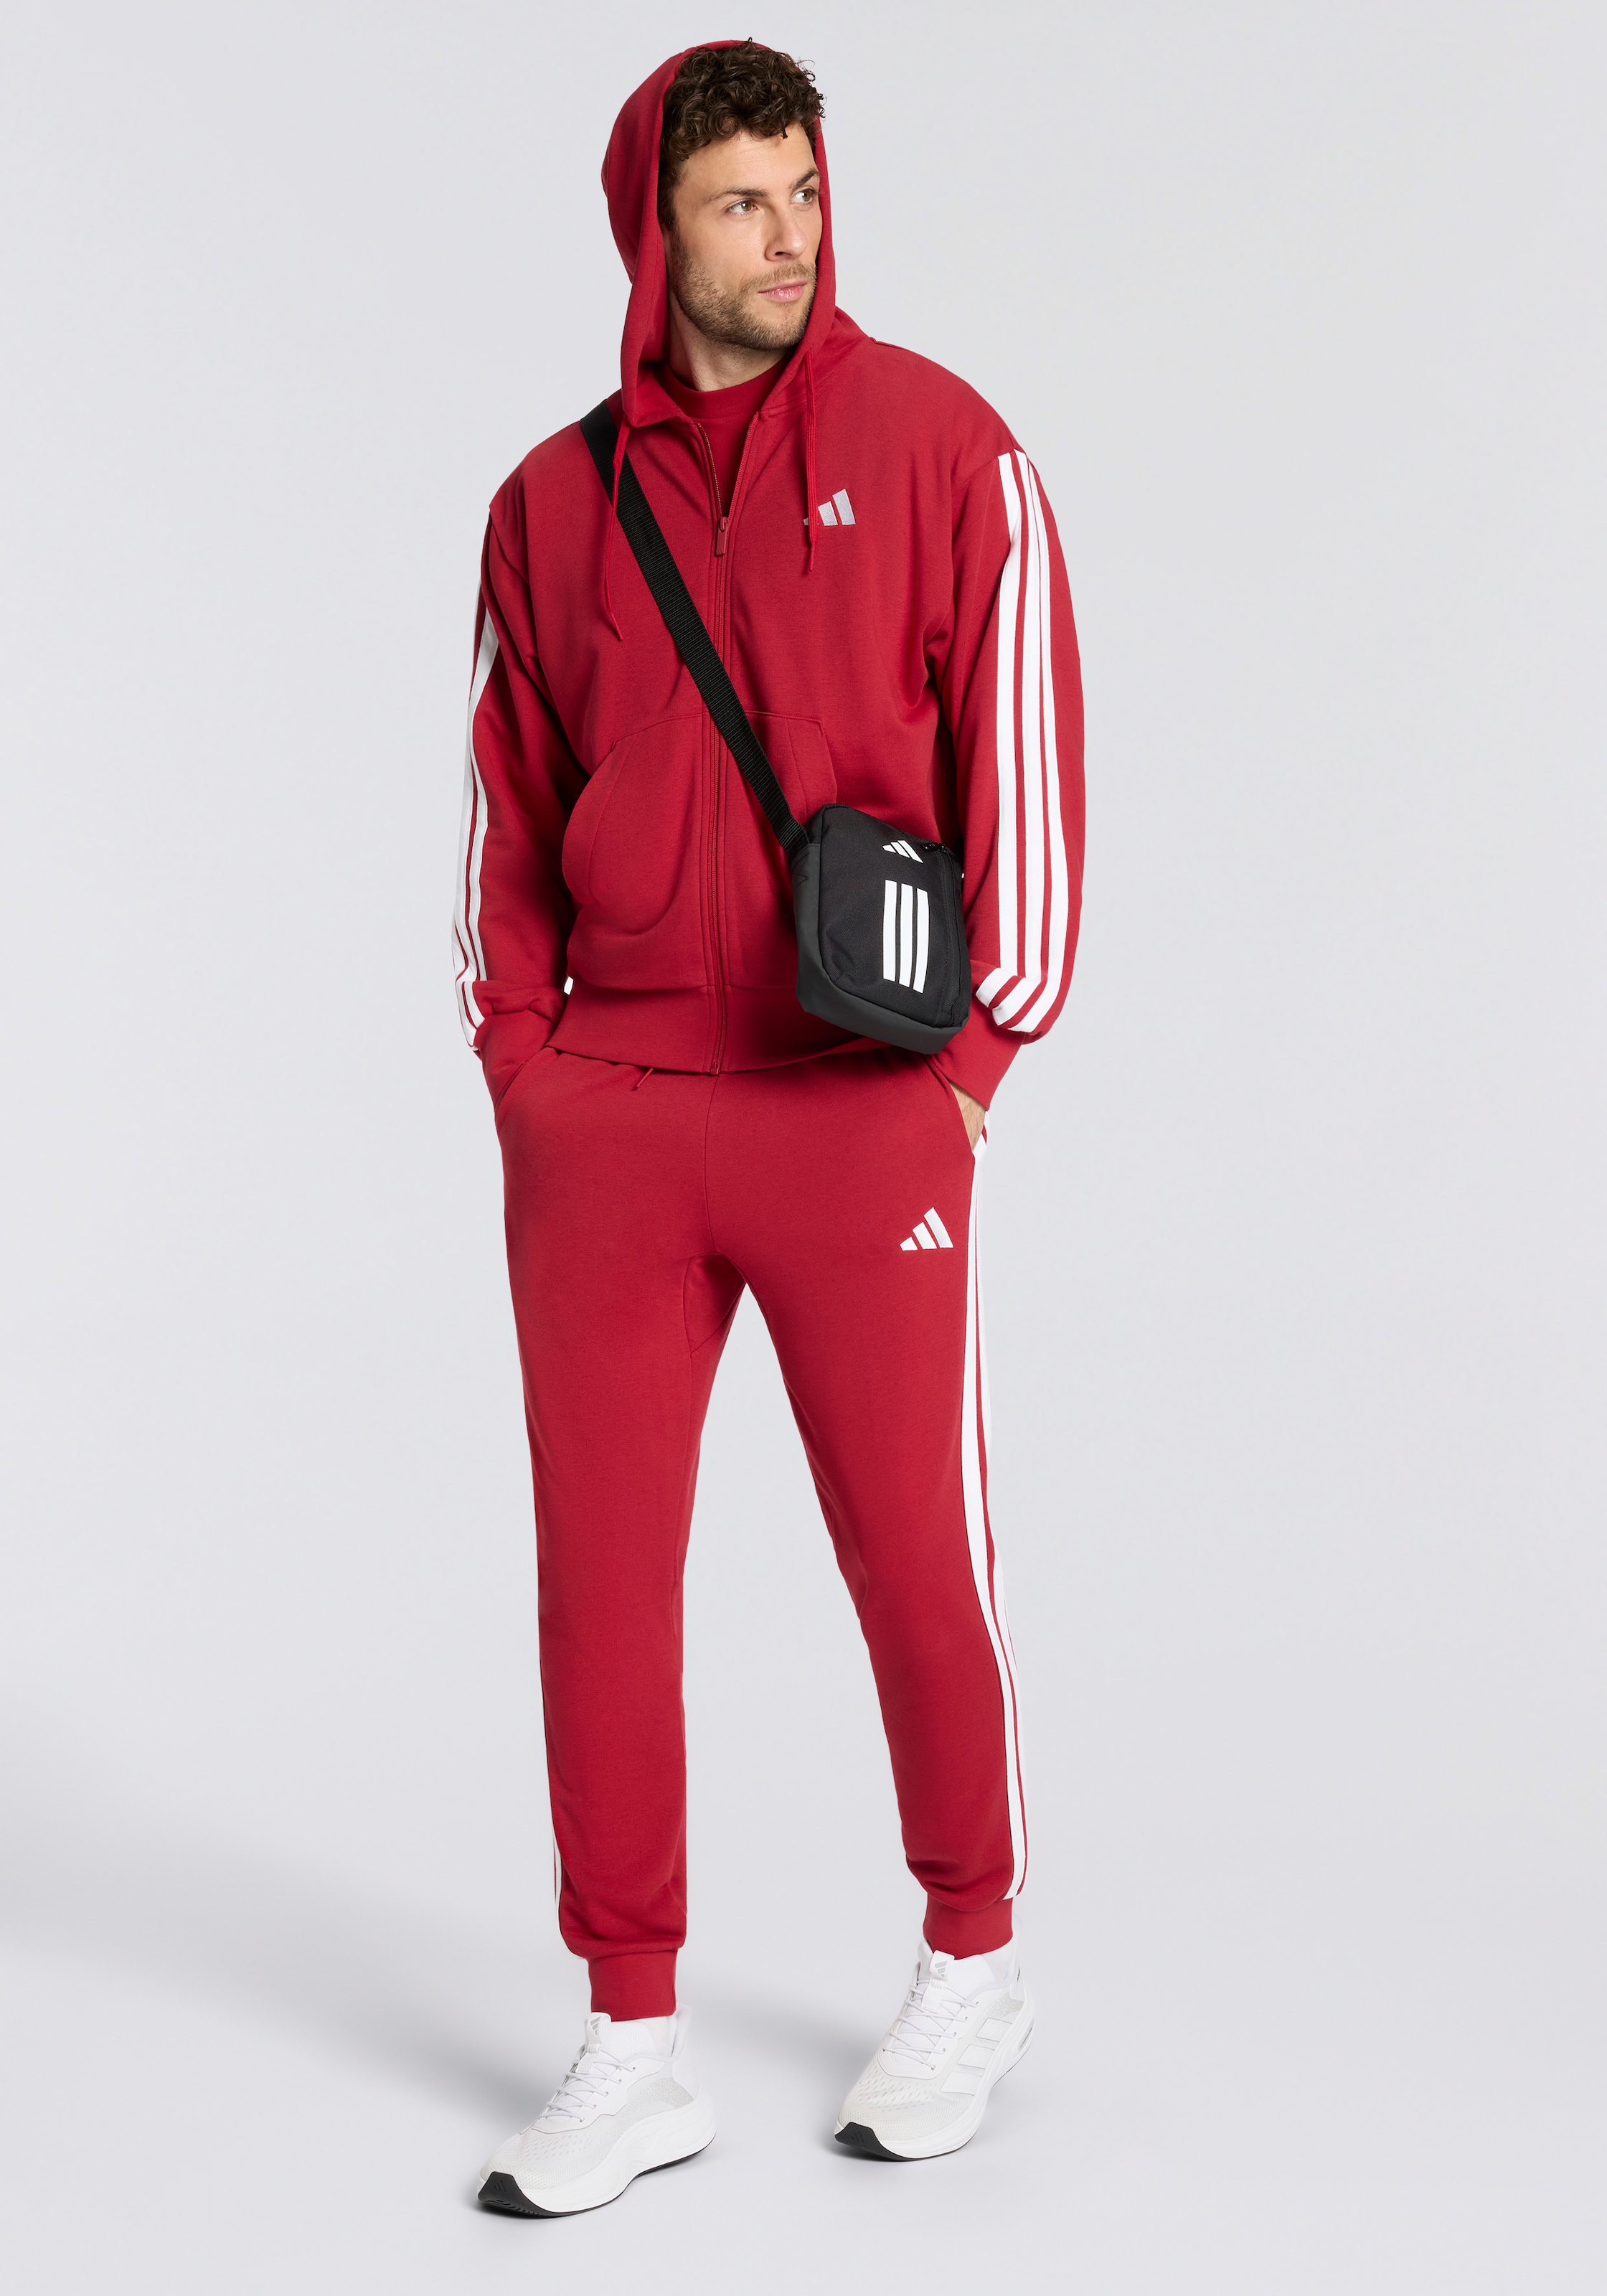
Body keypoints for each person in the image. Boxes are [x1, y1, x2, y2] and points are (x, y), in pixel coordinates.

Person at [454, 39, 1084, 2216]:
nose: (789, 236)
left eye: (806, 191)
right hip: (613, 1119)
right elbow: (503, 815)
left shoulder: (947, 447)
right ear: (655, 232)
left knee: (914, 1550)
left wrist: (972, 1074)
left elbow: (1030, 771)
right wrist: (526, 1075)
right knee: (600, 1579)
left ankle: (972, 1958)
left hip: (857, 1111)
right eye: (741, 202)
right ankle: (632, 2036)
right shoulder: (547, 507)